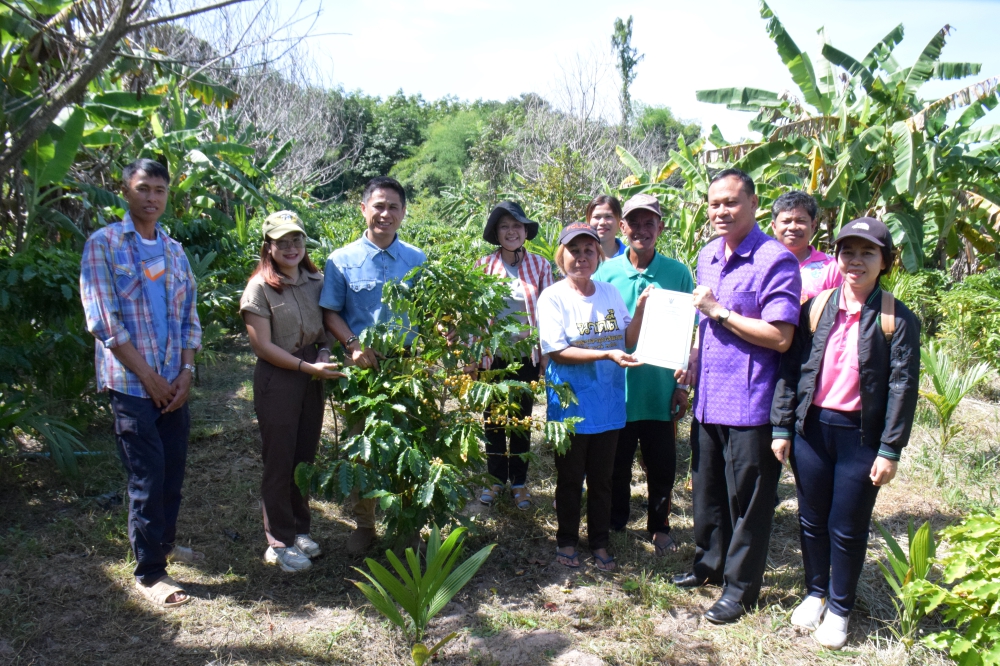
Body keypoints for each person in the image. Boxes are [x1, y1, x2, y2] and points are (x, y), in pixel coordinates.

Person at [771, 217, 920, 650]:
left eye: (867, 253)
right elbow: (792, 371)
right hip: (813, 428)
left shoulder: (896, 318)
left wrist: (890, 448)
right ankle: (816, 591)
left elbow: (902, 387)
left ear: (885, 261)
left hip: (860, 436)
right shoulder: (816, 307)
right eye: (848, 252)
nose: (856, 261)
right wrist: (783, 426)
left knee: (848, 525)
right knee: (812, 518)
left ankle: (839, 608)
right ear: (837, 257)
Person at [671, 168, 802, 624]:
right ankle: (708, 566)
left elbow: (780, 336)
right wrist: (690, 356)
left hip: (750, 401)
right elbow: (705, 325)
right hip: (708, 395)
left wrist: (719, 311)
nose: (721, 211)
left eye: (730, 202)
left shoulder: (774, 259)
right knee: (706, 491)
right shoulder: (707, 255)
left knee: (748, 502)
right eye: (714, 204)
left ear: (752, 204)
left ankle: (741, 589)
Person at [80, 158, 202, 608]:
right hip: (132, 386)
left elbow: (189, 315)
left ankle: (162, 548)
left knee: (172, 475)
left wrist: (185, 373)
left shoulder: (173, 250)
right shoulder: (104, 245)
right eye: (143, 188)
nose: (152, 198)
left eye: (160, 190)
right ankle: (150, 574)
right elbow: (104, 322)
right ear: (125, 191)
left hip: (173, 384)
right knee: (147, 477)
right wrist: (149, 378)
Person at [319, 176, 426, 554]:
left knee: (410, 445)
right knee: (362, 445)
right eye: (378, 205)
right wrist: (352, 344)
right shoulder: (341, 260)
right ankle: (365, 523)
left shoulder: (417, 260)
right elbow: (330, 311)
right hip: (361, 368)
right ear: (363, 209)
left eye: (393, 207)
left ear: (403, 213)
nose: (385, 213)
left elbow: (429, 314)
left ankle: (408, 522)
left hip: (407, 368)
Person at [538, 223, 649, 572]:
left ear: (598, 256)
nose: (582, 257)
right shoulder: (553, 296)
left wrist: (643, 307)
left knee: (604, 479)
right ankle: (567, 540)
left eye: (589, 250)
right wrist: (605, 355)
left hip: (608, 401)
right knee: (570, 478)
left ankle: (599, 541)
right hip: (570, 405)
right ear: (562, 257)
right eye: (574, 251)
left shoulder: (610, 293)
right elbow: (557, 351)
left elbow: (627, 340)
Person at [240, 211, 346, 572]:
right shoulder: (259, 288)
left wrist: (325, 354)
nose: (291, 248)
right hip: (279, 376)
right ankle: (279, 541)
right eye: (282, 242)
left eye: (296, 240)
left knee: (304, 456)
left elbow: (325, 331)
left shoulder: (315, 281)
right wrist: (306, 367)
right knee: (280, 458)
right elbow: (263, 347)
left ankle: (300, 528)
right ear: (268, 246)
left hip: (311, 373)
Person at [594, 194, 694, 555]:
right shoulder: (605, 272)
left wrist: (681, 387)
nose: (641, 230)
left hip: (658, 388)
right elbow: (600, 331)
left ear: (660, 228)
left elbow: (687, 335)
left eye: (649, 223)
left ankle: (659, 525)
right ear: (623, 227)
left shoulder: (678, 273)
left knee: (662, 463)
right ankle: (617, 518)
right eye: (634, 223)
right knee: (614, 463)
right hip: (617, 388)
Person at [474, 201, 554, 509]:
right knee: (493, 419)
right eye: (505, 226)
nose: (512, 232)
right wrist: (471, 356)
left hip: (525, 356)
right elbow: (475, 315)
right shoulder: (483, 266)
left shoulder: (541, 267)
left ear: (525, 231)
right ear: (496, 232)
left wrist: (546, 354)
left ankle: (519, 482)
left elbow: (549, 312)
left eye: (517, 226)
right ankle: (495, 481)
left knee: (521, 419)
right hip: (492, 357)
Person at [770, 191, 842, 301]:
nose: (793, 227)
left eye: (801, 221)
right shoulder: (761, 263)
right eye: (786, 221)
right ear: (774, 227)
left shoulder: (832, 267)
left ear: (813, 226)